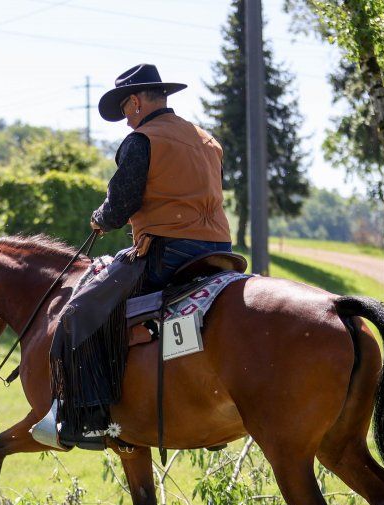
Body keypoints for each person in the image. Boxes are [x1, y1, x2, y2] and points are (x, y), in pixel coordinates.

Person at [32, 64, 233, 450]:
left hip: (166, 252)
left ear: (136, 102)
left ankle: (87, 420)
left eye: (126, 109)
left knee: (77, 315)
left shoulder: (142, 139)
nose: (126, 120)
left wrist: (101, 219)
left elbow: (122, 203)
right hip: (220, 252)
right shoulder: (208, 141)